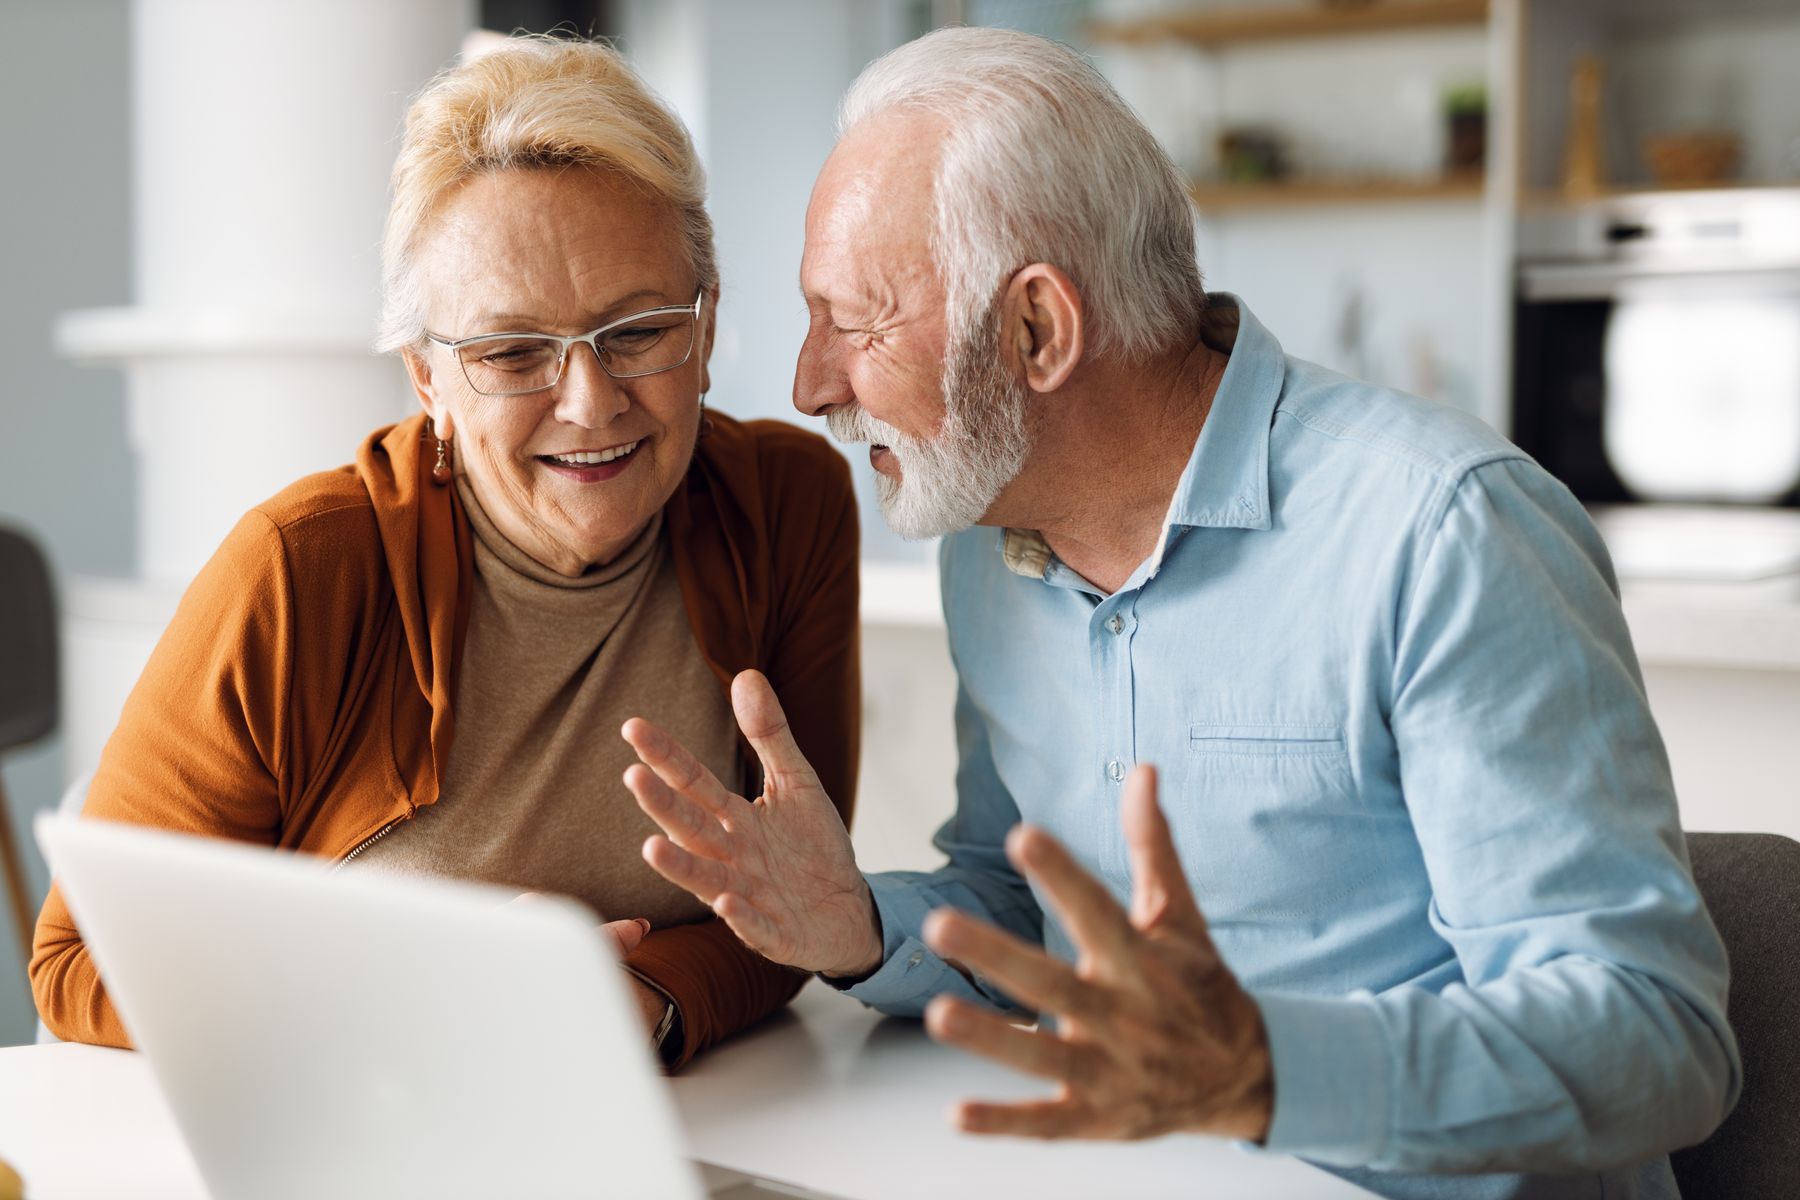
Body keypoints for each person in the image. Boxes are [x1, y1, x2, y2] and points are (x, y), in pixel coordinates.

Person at [621, 26, 1739, 1195]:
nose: (810, 385)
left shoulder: (1444, 532)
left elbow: (1659, 1038)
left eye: (856, 321)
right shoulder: (990, 552)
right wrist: (856, 924)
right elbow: (1024, 901)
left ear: (1037, 329)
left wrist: (1268, 1072)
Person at [31, 36, 859, 1071]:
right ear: (426, 379)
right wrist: (411, 992)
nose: (590, 402)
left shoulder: (785, 507)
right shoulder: (297, 571)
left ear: (706, 323)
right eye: (512, 353)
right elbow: (78, 961)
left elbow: (799, 905)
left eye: (637, 332)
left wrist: (636, 1004)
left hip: (682, 1119)